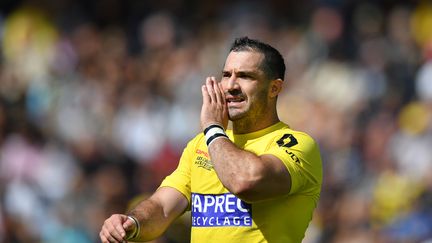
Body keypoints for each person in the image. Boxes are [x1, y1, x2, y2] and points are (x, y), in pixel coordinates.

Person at [99, 36, 323, 243]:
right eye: (226, 75)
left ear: (274, 87)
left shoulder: (297, 145)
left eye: (245, 76)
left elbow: (244, 182)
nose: (231, 86)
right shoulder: (201, 145)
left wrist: (213, 128)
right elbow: (162, 207)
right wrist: (131, 223)